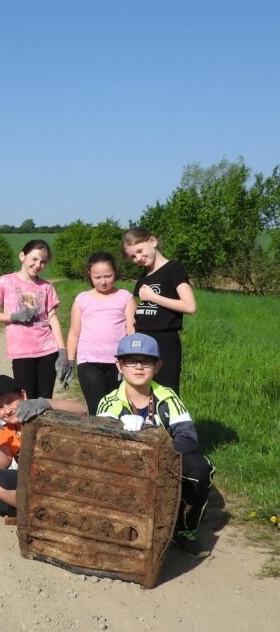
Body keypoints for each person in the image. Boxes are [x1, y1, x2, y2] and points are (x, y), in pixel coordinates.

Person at [97, 333, 215, 558]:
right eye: (131, 360)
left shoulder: (168, 396)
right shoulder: (109, 402)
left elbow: (188, 438)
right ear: (119, 366)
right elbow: (103, 446)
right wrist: (121, 429)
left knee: (201, 467)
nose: (139, 366)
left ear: (157, 366)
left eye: (147, 360)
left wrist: (156, 447)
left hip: (165, 459)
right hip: (125, 465)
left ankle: (185, 529)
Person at [0, 375, 86, 518]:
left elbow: (81, 409)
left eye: (10, 401)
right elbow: (3, 464)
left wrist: (45, 403)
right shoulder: (7, 430)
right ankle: (37, 509)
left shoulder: (42, 413)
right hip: (33, 481)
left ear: (23, 395)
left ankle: (39, 512)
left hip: (61, 478)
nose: (7, 410)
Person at [0, 239, 72, 399]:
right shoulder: (5, 281)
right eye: (34, 259)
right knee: (25, 399)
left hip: (48, 350)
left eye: (43, 262)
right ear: (22, 256)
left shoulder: (47, 287)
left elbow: (53, 319)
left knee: (44, 401)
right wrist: (13, 317)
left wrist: (62, 351)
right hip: (21, 352)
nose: (38, 264)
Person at [123, 227, 196, 393]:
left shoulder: (173, 269)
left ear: (153, 242)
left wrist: (152, 297)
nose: (138, 258)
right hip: (141, 344)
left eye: (140, 251)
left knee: (165, 393)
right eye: (133, 256)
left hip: (164, 343)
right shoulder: (143, 278)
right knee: (141, 393)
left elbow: (190, 306)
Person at [66, 252, 136, 414]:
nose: (103, 281)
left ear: (115, 273)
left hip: (117, 363)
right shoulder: (82, 299)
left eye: (108, 276)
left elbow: (132, 331)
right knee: (97, 408)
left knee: (119, 408)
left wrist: (131, 359)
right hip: (88, 361)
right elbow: (74, 332)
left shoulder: (125, 297)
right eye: (97, 277)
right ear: (89, 275)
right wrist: (70, 360)